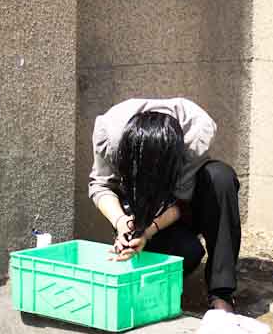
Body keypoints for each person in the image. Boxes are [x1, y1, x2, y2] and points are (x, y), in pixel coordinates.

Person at [89, 98, 241, 313]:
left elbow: (181, 202)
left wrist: (150, 231)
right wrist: (123, 222)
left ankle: (221, 294)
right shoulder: (111, 136)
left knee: (221, 176)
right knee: (188, 252)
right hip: (139, 212)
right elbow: (101, 186)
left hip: (180, 208)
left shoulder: (195, 136)